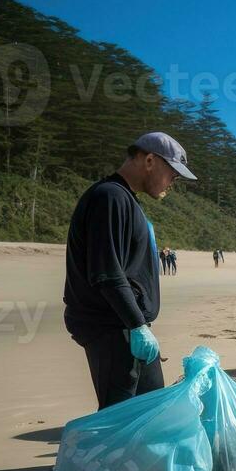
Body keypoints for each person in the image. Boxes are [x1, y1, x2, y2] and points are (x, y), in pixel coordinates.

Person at [63, 131, 194, 410]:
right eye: (173, 174)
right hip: (112, 328)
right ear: (149, 160)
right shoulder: (110, 197)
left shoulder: (125, 199)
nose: (174, 182)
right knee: (119, 421)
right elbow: (107, 272)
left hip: (127, 326)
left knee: (150, 412)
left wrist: (140, 326)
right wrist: (136, 326)